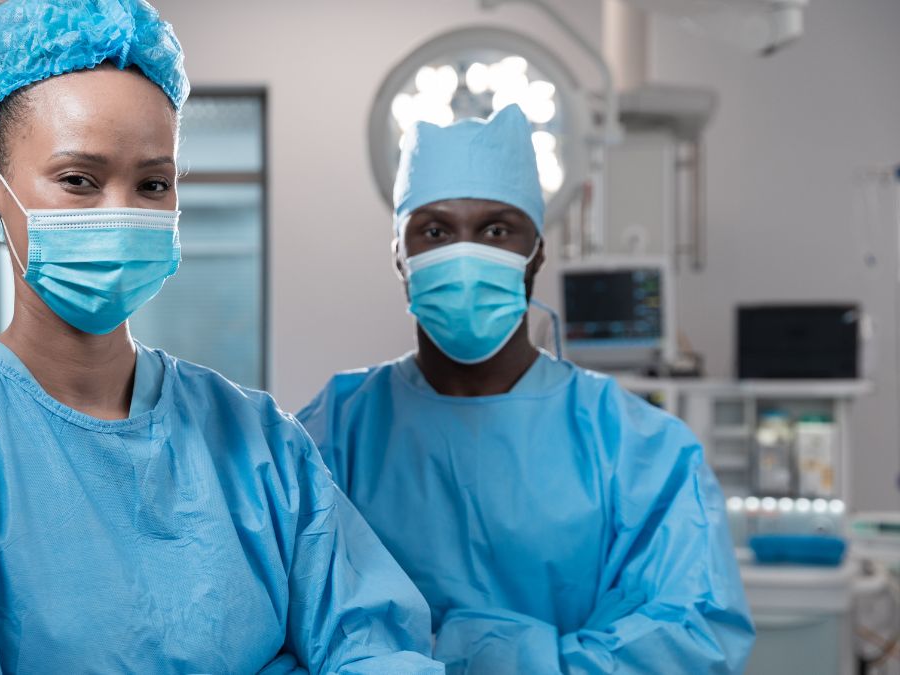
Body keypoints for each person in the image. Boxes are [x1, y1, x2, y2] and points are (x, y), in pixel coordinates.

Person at [0, 2, 442, 673]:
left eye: (152, 183)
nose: (121, 212)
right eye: (79, 179)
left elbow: (374, 647)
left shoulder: (258, 444)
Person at [297, 105, 755, 673]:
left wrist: (491, 659)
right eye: (435, 231)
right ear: (399, 253)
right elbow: (285, 617)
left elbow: (692, 636)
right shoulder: (333, 434)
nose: (465, 254)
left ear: (536, 249)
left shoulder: (638, 449)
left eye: (496, 229)